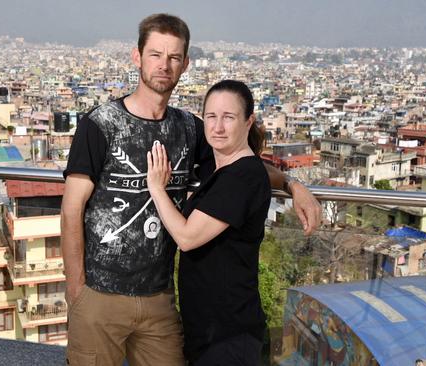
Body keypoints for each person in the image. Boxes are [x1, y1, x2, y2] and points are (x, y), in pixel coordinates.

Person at [61, 14, 321, 366]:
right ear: (137, 57)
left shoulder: (188, 128)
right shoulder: (101, 124)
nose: (164, 66)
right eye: (155, 55)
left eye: (173, 57)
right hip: (101, 294)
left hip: (160, 297)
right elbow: (72, 207)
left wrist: (292, 184)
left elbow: (239, 165)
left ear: (185, 64)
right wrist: (76, 289)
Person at [146, 80, 270, 365]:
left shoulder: (242, 176)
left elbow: (187, 237)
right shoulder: (221, 169)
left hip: (228, 331)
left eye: (229, 117)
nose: (218, 127)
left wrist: (156, 187)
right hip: (211, 328)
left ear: (249, 121)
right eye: (211, 117)